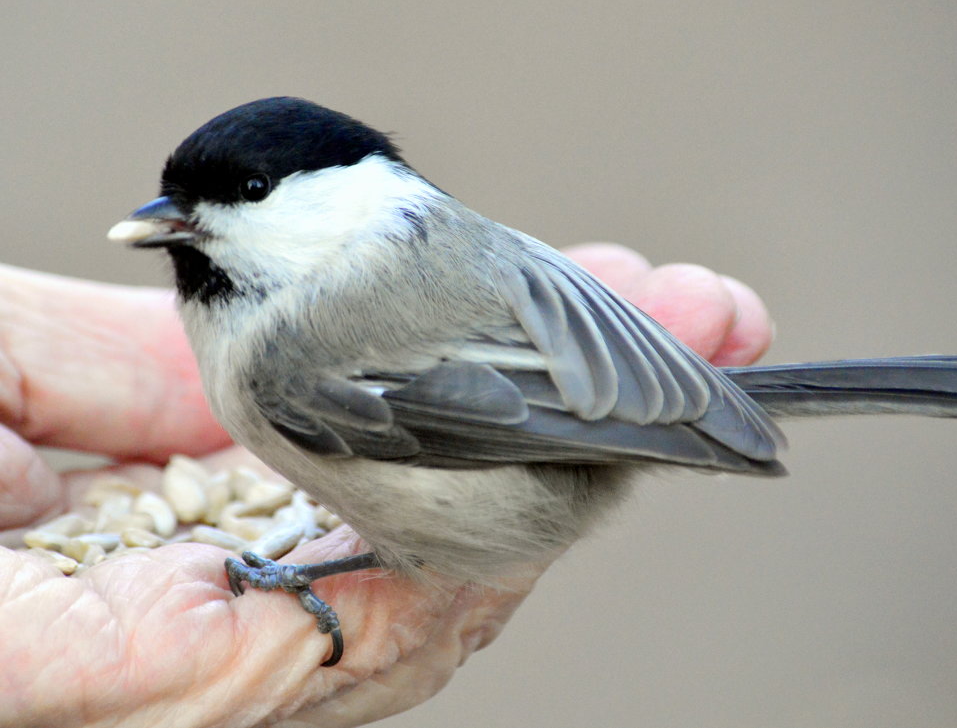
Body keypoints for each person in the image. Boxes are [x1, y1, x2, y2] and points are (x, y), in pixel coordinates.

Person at [0, 243, 773, 726]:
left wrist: (295, 574)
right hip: (603, 388)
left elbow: (490, 411)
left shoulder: (281, 356)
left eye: (243, 194)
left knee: (400, 557)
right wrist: (664, 398)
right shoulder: (430, 243)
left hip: (518, 456)